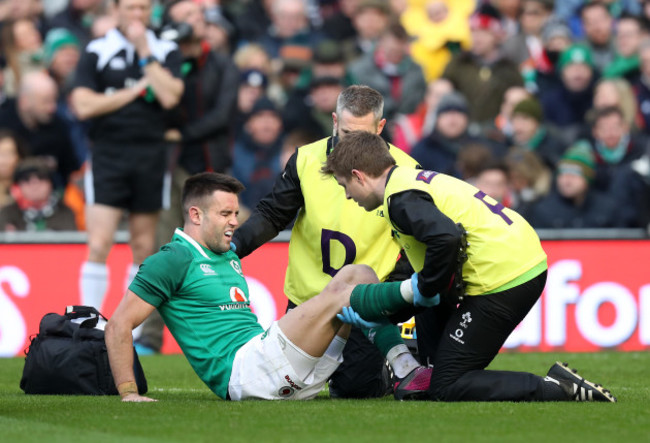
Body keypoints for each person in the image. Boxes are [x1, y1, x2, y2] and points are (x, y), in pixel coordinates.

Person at [321, 130, 617, 403]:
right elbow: (427, 266)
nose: (347, 195)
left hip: (506, 278)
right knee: (430, 361)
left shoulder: (400, 198)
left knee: (446, 385)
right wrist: (390, 312)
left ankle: (557, 387)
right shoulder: (408, 183)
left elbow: (445, 239)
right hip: (515, 260)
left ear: (358, 176)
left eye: (344, 185)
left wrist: (421, 290)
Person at [105, 172, 427, 402]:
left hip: (283, 372)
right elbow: (118, 324)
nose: (235, 221)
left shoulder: (226, 255)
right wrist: (129, 392)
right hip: (246, 374)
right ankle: (421, 288)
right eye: (225, 213)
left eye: (235, 212)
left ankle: (403, 364)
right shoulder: (173, 258)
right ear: (195, 215)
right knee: (341, 294)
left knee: (358, 273)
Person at [231, 85, 422, 399]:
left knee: (355, 393)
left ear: (381, 127)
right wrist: (235, 245)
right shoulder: (305, 159)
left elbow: (412, 244)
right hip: (309, 299)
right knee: (274, 392)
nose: (355, 144)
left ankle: (386, 369)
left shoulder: (405, 169)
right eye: (347, 132)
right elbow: (272, 214)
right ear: (334, 120)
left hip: (363, 304)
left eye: (364, 135)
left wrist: (391, 299)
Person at [70, 0, 184, 311]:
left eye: (144, 8)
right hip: (108, 154)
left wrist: (145, 54)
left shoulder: (165, 50)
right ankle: (87, 321)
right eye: (132, 7)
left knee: (143, 246)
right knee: (98, 242)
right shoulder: (98, 49)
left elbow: (170, 96)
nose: (138, 15)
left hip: (150, 156)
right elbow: (82, 105)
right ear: (116, 9)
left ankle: (129, 330)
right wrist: (133, 93)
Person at [0, 156, 77, 231]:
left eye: (41, 177)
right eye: (26, 178)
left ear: (51, 183)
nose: (34, 183)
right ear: (18, 185)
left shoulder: (65, 213)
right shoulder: (7, 213)